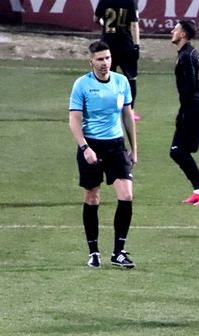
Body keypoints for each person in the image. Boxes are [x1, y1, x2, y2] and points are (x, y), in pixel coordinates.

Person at [69, 40, 138, 269]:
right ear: (91, 61)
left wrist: (134, 148)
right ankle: (93, 251)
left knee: (126, 195)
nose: (105, 63)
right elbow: (74, 120)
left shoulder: (121, 82)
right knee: (92, 198)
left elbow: (127, 115)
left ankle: (118, 252)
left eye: (107, 58)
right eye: (100, 59)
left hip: (116, 146)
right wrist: (84, 148)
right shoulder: (82, 85)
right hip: (92, 145)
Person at [170, 20, 199, 206]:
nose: (172, 31)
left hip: (193, 108)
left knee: (178, 151)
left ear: (182, 34)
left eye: (176, 29)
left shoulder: (185, 56)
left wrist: (187, 108)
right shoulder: (193, 53)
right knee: (179, 151)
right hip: (198, 105)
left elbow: (189, 86)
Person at [94, 0, 141, 120]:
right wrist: (136, 46)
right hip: (126, 45)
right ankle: (130, 111)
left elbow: (96, 18)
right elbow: (134, 25)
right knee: (131, 79)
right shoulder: (130, 2)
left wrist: (104, 23)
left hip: (108, 45)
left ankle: (107, 109)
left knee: (107, 78)